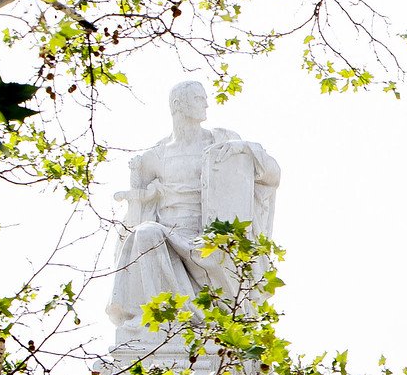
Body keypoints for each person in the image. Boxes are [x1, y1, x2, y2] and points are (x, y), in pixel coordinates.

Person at [105, 80, 281, 344]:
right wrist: (136, 187)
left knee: (163, 237)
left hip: (211, 235)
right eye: (199, 98)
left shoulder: (221, 140)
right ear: (178, 105)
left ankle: (194, 319)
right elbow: (138, 207)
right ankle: (158, 319)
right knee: (145, 233)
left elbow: (272, 174)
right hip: (168, 231)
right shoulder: (155, 156)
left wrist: (244, 149)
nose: (207, 103)